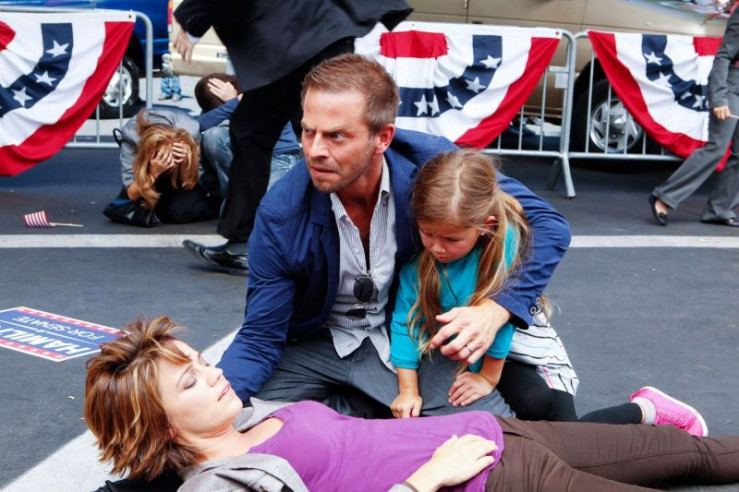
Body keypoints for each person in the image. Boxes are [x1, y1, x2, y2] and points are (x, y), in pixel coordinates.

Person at [216, 53, 571, 419]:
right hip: (315, 344)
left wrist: (497, 308)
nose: (315, 151)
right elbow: (260, 337)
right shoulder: (280, 213)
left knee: (494, 431)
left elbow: (549, 225)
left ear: (383, 137)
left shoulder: (432, 166)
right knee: (232, 421)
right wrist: (206, 404)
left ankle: (353, 412)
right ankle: (352, 412)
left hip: (403, 339)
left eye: (336, 136)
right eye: (308, 131)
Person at [84, 317, 739, 491]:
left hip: (496, 432)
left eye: (201, 362)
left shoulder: (252, 415)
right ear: (161, 428)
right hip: (493, 479)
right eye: (190, 383)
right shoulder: (218, 484)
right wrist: (427, 480)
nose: (213, 376)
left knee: (692, 452)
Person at [389, 149, 707, 437]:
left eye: (451, 239)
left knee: (561, 429)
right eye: (427, 233)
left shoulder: (503, 248)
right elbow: (405, 323)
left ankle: (645, 409)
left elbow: (500, 323)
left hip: (525, 347)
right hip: (482, 351)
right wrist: (408, 390)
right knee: (543, 419)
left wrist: (486, 378)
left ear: (485, 226)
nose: (437, 247)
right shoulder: (417, 268)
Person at [173, 0, 414, 274]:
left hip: (301, 34)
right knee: (263, 130)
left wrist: (190, 18)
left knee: (327, 132)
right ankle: (244, 241)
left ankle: (381, 227)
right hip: (312, 31)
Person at [649, 0, 739, 227]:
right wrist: (719, 97)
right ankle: (665, 196)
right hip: (732, 87)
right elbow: (724, 56)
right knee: (716, 148)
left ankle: (719, 209)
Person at [192, 73, 301, 207]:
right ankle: (234, 199)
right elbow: (200, 124)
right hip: (247, 165)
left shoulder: (260, 90)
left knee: (266, 204)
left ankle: (238, 201)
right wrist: (235, 102)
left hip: (278, 159)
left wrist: (238, 102)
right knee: (212, 135)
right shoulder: (230, 104)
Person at [104, 107, 219, 226]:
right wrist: (153, 173)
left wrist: (185, 162)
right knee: (149, 205)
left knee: (179, 212)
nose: (168, 163)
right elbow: (131, 194)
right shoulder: (131, 136)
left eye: (172, 158)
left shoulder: (190, 131)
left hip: (180, 176)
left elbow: (189, 185)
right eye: (163, 157)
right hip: (149, 171)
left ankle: (218, 203)